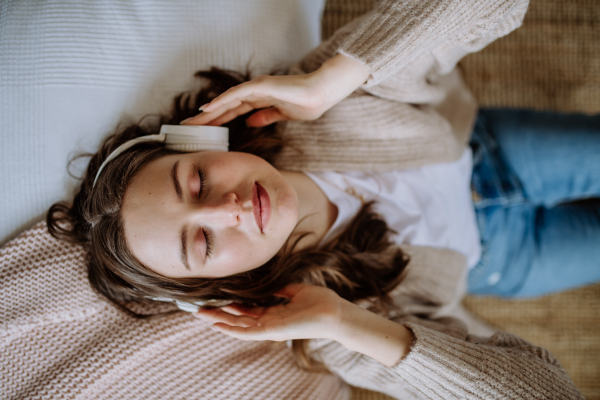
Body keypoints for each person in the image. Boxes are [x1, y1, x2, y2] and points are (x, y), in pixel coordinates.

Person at [47, 0, 596, 398]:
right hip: (505, 259)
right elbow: (547, 393)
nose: (229, 209)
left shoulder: (312, 101)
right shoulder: (329, 325)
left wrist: (331, 80)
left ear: (201, 139)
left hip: (488, 148)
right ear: (218, 288)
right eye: (203, 242)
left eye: (196, 182)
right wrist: (344, 323)